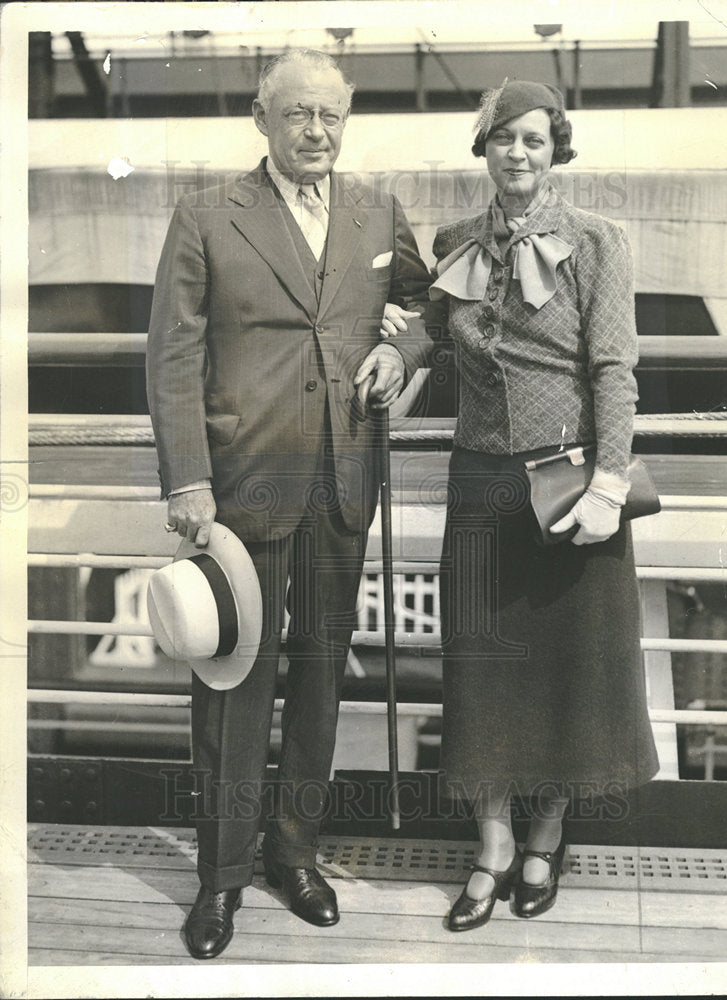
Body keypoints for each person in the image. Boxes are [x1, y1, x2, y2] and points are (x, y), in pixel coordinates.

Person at [146, 48, 430, 959]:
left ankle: (295, 854)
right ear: (262, 121)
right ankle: (220, 879)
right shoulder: (204, 215)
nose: (316, 131)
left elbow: (435, 302)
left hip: (345, 476)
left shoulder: (377, 212)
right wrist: (187, 478)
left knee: (319, 674)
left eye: (331, 117)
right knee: (233, 682)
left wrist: (406, 348)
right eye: (299, 114)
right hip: (242, 483)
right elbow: (172, 356)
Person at [424, 79, 659, 930]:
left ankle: (545, 835)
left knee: (569, 671)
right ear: (482, 148)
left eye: (532, 139)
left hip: (571, 488)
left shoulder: (599, 242)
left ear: (555, 148)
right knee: (481, 672)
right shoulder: (455, 240)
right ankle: (491, 844)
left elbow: (614, 372)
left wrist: (607, 481)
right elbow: (426, 330)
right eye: (501, 138)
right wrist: (390, 355)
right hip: (481, 485)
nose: (516, 153)